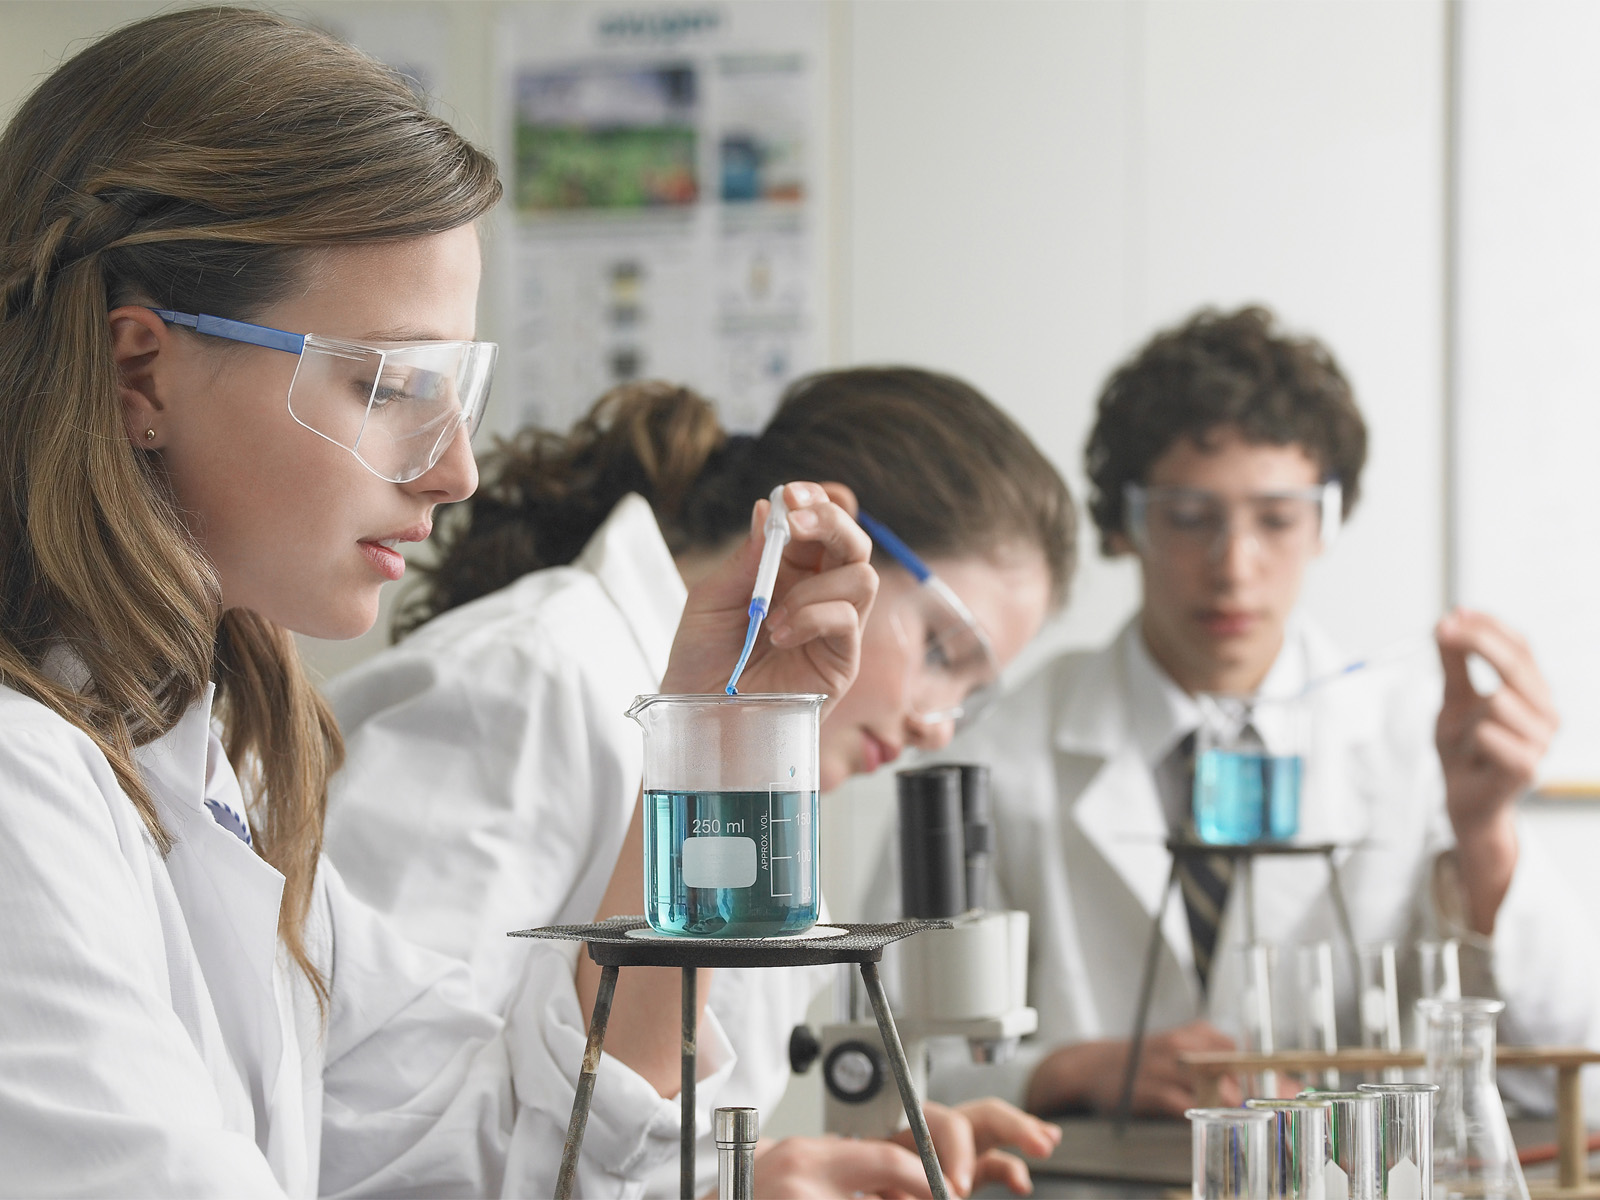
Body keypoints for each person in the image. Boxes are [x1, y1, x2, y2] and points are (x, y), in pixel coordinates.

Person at [0, 10, 876, 1195]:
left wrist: (714, 742)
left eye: (455, 387)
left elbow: (511, 1145)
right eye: (387, 383)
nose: (454, 469)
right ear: (137, 371)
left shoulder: (223, 770)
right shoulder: (20, 785)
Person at [323, 370, 1076, 1196]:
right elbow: (360, 1147)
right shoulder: (528, 680)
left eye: (971, 698)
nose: (938, 724)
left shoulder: (756, 797)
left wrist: (853, 1166)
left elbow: (628, 1150)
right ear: (818, 543)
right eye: (940, 652)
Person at [926, 305, 1598, 1119]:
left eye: (1276, 519)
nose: (1234, 567)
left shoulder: (1415, 741)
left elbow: (1566, 1076)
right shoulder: (1000, 751)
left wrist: (1486, 833)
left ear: (1326, 519)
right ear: (1126, 522)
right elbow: (877, 1073)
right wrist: (1063, 1072)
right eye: (1188, 517)